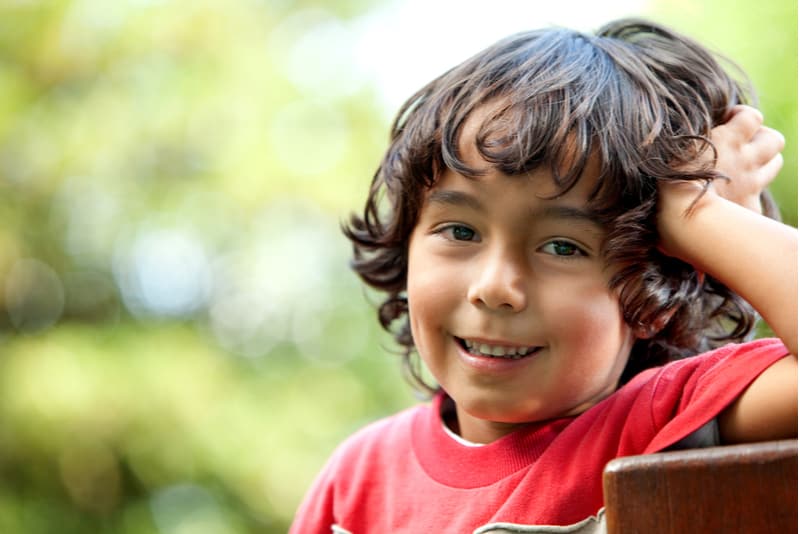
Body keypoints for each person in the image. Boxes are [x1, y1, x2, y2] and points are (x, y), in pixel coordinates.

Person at [290, 18, 797, 533]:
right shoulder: (357, 481)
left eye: (562, 246)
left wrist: (696, 213)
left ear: (654, 293)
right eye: (460, 232)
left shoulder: (656, 421)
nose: (494, 287)